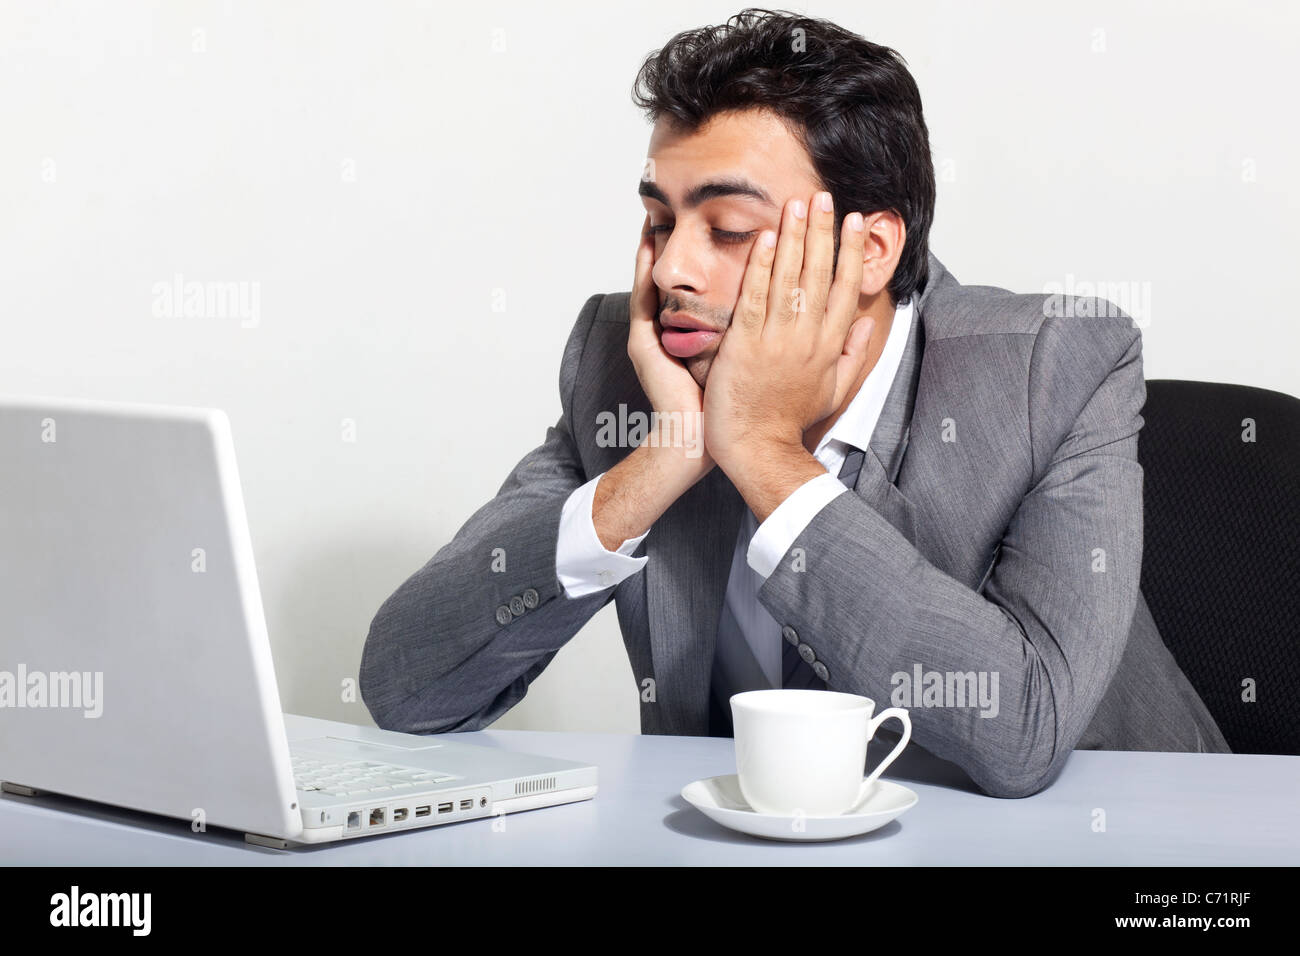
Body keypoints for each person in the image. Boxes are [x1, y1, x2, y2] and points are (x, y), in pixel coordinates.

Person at [359, 8, 1230, 798]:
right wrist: (659, 464)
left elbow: (1023, 733)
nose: (670, 272)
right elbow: (405, 688)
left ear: (872, 252)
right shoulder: (624, 366)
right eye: (660, 221)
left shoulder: (1054, 369)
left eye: (729, 230)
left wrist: (766, 453)